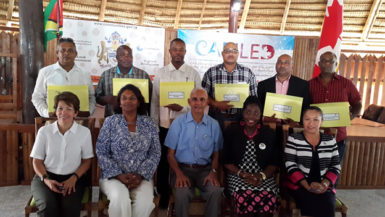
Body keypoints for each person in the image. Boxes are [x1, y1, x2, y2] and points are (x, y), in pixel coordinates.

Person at [150, 38, 202, 208]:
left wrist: (184, 108)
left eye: (181, 50)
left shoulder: (193, 73)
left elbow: (199, 101)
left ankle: (182, 191)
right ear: (170, 52)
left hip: (187, 127)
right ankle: (164, 193)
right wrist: (154, 125)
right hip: (165, 126)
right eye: (175, 49)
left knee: (183, 160)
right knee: (165, 161)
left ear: (185, 52)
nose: (178, 53)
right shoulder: (161, 73)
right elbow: (155, 101)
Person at [96, 84, 161, 217]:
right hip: (113, 176)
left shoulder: (149, 123)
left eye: (132, 98)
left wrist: (140, 175)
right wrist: (118, 174)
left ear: (138, 102)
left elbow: (155, 152)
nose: (128, 101)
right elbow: (101, 152)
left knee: (146, 203)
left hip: (141, 177)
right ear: (119, 103)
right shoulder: (110, 122)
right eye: (124, 98)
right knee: (120, 198)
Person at [30, 92, 94, 217]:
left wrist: (74, 178)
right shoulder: (44, 131)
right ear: (55, 111)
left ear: (75, 113)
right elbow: (36, 161)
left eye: (68, 109)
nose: (63, 112)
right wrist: (46, 180)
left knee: (69, 208)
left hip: (73, 178)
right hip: (45, 177)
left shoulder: (84, 132)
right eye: (60, 108)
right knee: (48, 206)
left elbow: (87, 161)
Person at [165, 88, 223, 217]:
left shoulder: (214, 124)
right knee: (182, 192)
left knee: (215, 191)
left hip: (205, 170)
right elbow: (170, 155)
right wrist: (179, 174)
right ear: (189, 102)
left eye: (202, 100)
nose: (198, 103)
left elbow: (216, 153)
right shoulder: (178, 123)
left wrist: (213, 171)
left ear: (207, 102)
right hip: (182, 169)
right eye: (194, 99)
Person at [223, 96, 280, 217]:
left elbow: (274, 162)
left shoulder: (268, 133)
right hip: (237, 175)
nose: (251, 117)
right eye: (248, 112)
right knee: (244, 195)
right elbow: (225, 159)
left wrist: (261, 176)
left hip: (264, 176)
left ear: (260, 115)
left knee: (268, 195)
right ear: (243, 112)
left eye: (256, 113)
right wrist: (242, 174)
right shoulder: (232, 131)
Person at [284, 106, 341, 217]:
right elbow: (290, 165)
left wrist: (324, 185)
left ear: (321, 122)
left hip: (324, 185)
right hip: (300, 184)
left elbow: (335, 166)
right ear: (302, 121)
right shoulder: (294, 139)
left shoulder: (330, 140)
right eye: (307, 119)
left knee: (328, 204)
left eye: (315, 120)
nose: (311, 123)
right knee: (312, 203)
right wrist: (308, 186)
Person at [309, 51, 362, 163]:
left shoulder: (346, 83)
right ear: (319, 63)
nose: (327, 64)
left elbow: (357, 102)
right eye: (324, 61)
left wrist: (351, 116)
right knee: (314, 171)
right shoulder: (310, 84)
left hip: (338, 137)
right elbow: (305, 107)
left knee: (333, 172)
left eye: (331, 61)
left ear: (336, 63)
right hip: (314, 136)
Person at [32, 37, 96, 117]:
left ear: (76, 54)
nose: (66, 53)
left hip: (79, 121)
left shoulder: (85, 74)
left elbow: (91, 97)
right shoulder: (45, 72)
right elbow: (37, 97)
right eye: (63, 50)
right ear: (57, 53)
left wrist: (89, 112)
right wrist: (47, 113)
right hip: (54, 122)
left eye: (70, 50)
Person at [201, 42, 258, 128]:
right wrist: (216, 104)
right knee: (216, 141)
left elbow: (254, 99)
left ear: (238, 54)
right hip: (216, 118)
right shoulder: (211, 72)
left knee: (237, 142)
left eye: (234, 51)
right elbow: (203, 96)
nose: (231, 54)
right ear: (222, 54)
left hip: (241, 119)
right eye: (227, 51)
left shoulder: (248, 73)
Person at [95, 45, 153, 116]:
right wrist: (108, 99)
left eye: (129, 55)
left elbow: (151, 100)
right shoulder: (106, 75)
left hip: (138, 121)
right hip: (113, 121)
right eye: (122, 55)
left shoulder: (143, 75)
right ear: (116, 58)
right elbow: (97, 98)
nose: (126, 58)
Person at [257, 54, 309, 121]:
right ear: (275, 65)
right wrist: (264, 118)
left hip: (292, 128)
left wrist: (298, 122)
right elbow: (258, 107)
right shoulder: (263, 85)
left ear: (292, 66)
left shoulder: (302, 85)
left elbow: (306, 108)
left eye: (286, 63)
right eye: (279, 62)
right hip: (268, 126)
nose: (282, 65)